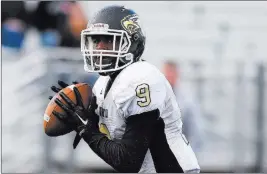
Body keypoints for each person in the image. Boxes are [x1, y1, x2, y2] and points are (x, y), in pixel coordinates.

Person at [48, 5, 200, 173]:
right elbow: (106, 141)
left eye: (108, 40)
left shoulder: (143, 79)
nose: (99, 47)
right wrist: (78, 114)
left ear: (131, 42)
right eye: (96, 40)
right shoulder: (102, 84)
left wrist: (87, 130)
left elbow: (128, 161)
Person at [162, 61, 204, 153]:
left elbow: (195, 131)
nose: (167, 76)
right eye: (166, 73)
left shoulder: (187, 100)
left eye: (170, 73)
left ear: (176, 74)